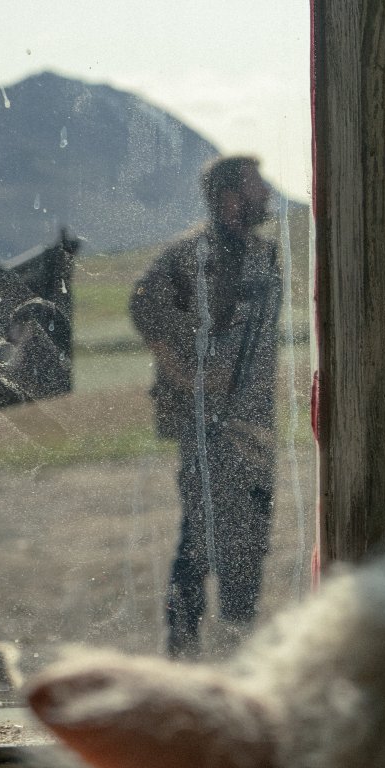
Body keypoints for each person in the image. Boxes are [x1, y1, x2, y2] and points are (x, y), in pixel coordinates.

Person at [130, 155, 282, 658]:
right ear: (229, 196)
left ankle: (238, 638)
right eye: (256, 185)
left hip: (254, 422)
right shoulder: (192, 253)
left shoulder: (263, 253)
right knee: (202, 535)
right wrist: (186, 369)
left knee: (252, 533)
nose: (266, 193)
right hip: (208, 424)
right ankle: (183, 648)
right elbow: (143, 303)